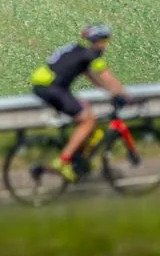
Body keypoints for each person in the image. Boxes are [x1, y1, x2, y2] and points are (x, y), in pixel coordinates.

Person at [30, 24, 134, 181]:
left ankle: (77, 159)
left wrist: (111, 93)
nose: (105, 45)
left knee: (85, 108)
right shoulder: (91, 55)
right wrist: (126, 97)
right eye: (105, 41)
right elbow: (105, 76)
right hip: (53, 88)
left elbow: (93, 78)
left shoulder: (77, 50)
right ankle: (63, 161)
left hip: (47, 85)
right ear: (98, 41)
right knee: (88, 120)